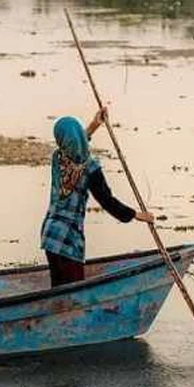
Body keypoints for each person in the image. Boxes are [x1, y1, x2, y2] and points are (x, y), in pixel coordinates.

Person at [40, 107, 153, 287]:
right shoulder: (90, 168)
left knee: (58, 291)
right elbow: (106, 201)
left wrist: (94, 125)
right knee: (73, 294)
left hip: (50, 235)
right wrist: (135, 215)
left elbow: (75, 143)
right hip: (69, 240)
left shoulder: (58, 158)